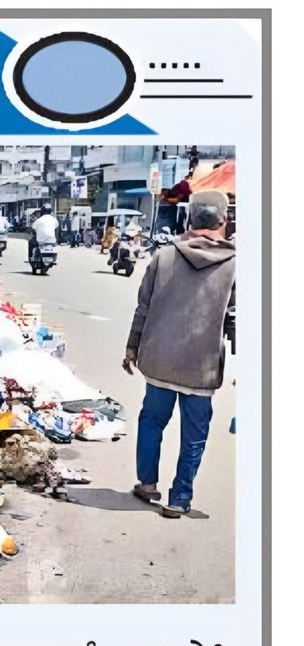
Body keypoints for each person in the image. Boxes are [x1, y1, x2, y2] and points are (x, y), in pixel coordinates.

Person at [123, 189, 236, 518]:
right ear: (223, 221)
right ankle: (179, 499)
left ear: (189, 218)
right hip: (200, 368)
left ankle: (147, 484)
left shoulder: (163, 256)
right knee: (194, 434)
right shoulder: (234, 264)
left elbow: (143, 307)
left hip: (159, 361)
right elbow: (234, 318)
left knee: (151, 421)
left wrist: (132, 346)